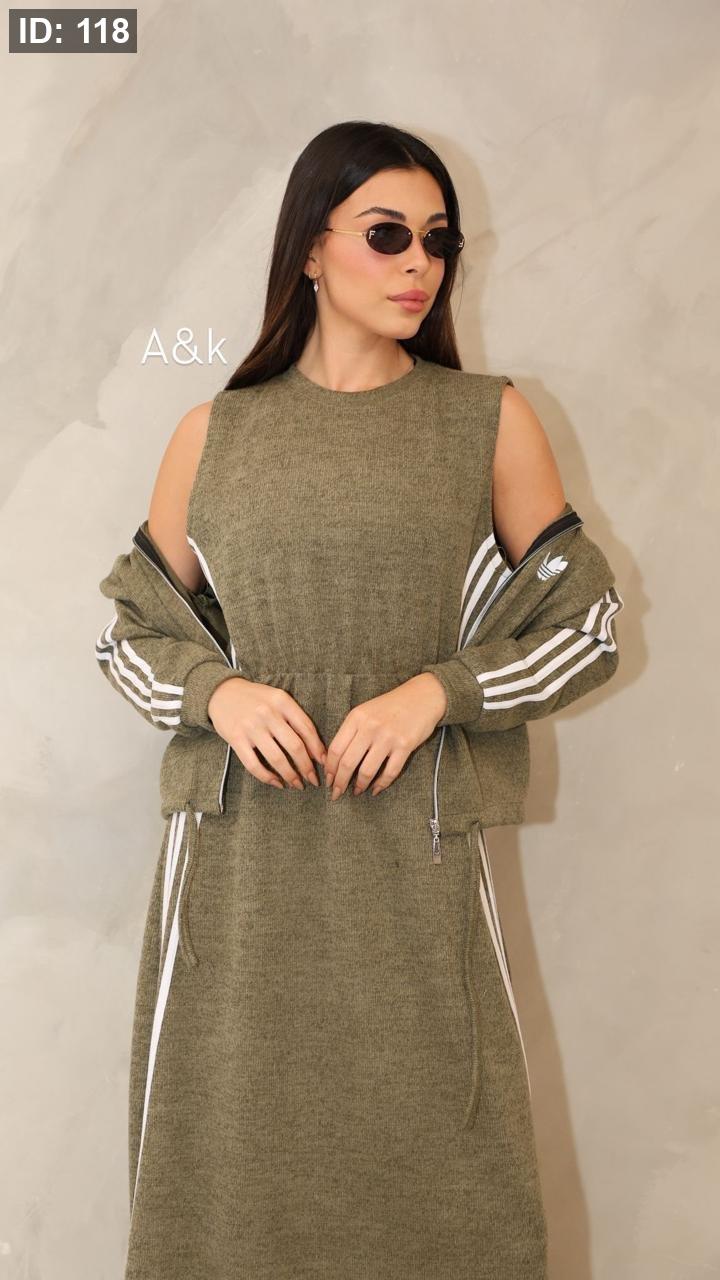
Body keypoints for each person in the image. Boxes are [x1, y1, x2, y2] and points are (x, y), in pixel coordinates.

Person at [96, 119, 624, 1279]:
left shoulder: (486, 419)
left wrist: (437, 692)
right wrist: (219, 693)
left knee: (448, 1182)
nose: (419, 263)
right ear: (310, 248)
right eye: (388, 234)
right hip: (238, 873)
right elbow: (127, 635)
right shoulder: (214, 434)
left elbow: (585, 629)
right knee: (227, 1176)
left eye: (439, 240)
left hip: (411, 860)